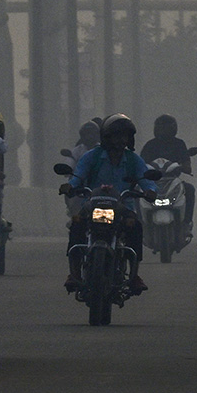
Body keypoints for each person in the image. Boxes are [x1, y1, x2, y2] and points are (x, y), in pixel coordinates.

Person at [61, 113, 157, 295]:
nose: (121, 140)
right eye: (117, 135)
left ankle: (134, 275)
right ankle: (73, 273)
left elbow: (146, 179)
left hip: (123, 207)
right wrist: (70, 186)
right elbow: (79, 175)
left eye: (125, 136)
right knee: (77, 225)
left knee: (135, 227)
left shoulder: (133, 160)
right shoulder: (92, 157)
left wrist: (150, 190)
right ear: (107, 137)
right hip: (91, 205)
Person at [140, 114, 197, 238]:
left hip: (173, 180)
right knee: (136, 193)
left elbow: (186, 162)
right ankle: (141, 224)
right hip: (152, 181)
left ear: (173, 129)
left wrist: (185, 167)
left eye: (166, 128)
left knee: (190, 189)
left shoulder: (179, 144)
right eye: (161, 128)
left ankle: (186, 223)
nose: (163, 132)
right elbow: (141, 162)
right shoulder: (150, 145)